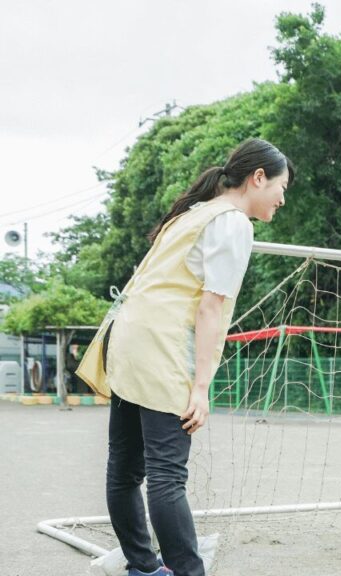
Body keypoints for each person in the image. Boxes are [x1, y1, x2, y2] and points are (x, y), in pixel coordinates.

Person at [76, 138, 294, 576]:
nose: (282, 198)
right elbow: (211, 308)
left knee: (124, 468)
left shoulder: (194, 213)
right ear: (257, 178)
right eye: (280, 187)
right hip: (162, 349)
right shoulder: (232, 222)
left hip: (129, 340)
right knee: (167, 477)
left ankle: (143, 566)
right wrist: (200, 388)